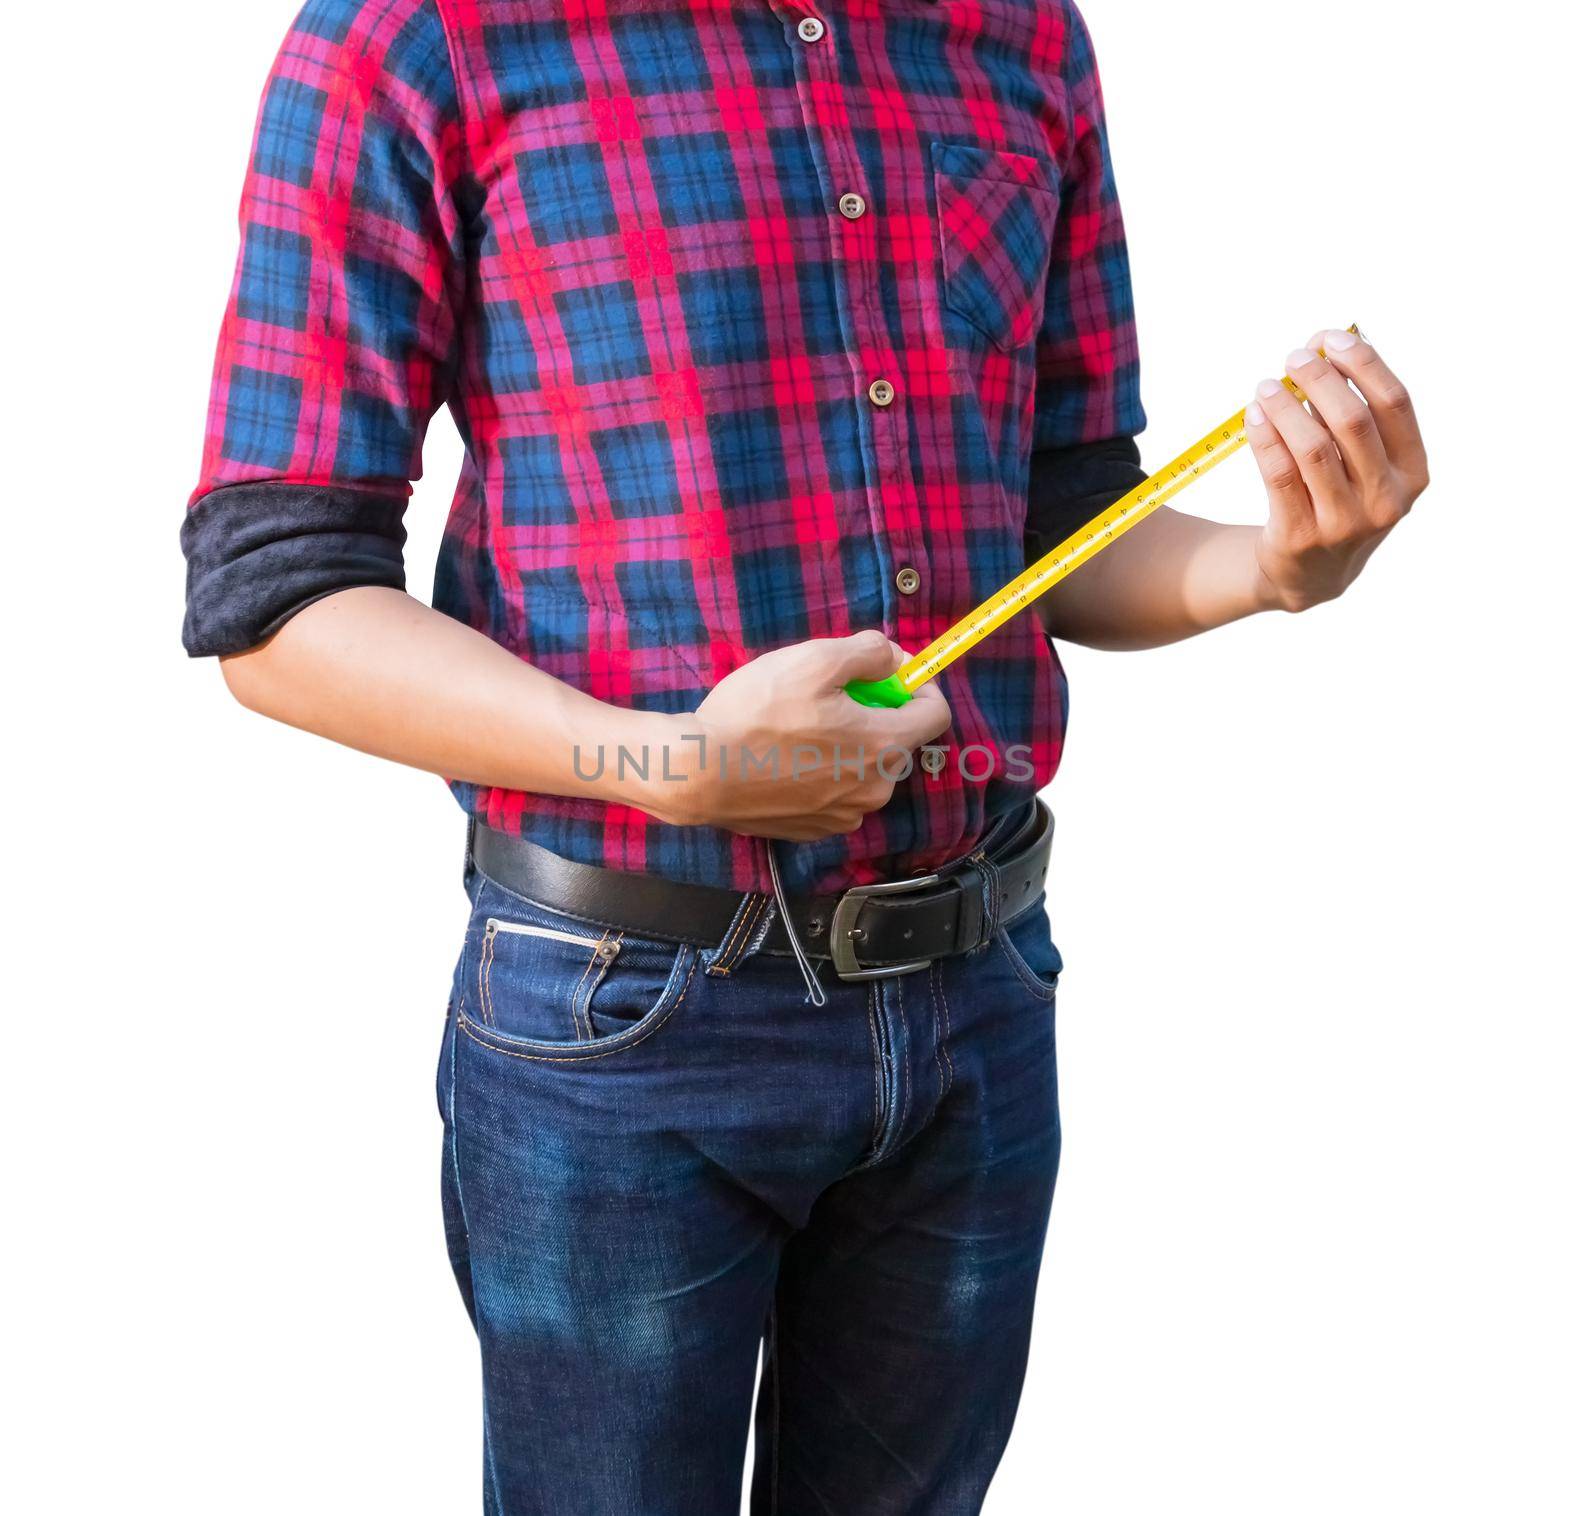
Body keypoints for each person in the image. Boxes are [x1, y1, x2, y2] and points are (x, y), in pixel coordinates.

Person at [180, 0, 1429, 1510]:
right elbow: (277, 600)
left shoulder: (1020, 32)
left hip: (973, 1000)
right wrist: (673, 766)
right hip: (621, 1024)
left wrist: (1279, 569)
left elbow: (1065, 501)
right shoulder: (415, 39)